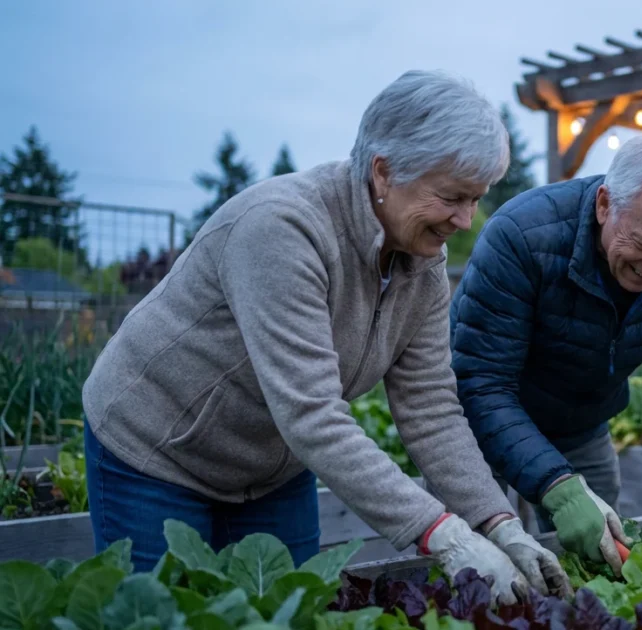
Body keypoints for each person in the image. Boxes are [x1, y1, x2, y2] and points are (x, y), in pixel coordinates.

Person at [80, 70, 570, 605]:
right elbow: (311, 412)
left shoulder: (422, 259)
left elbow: (430, 406)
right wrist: (444, 535)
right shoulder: (283, 229)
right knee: (162, 614)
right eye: (453, 196)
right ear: (384, 172)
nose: (465, 218)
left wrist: (498, 523)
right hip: (157, 452)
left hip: (272, 467)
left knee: (289, 614)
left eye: (476, 198)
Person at [449, 132, 642, 575]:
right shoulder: (520, 236)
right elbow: (482, 383)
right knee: (477, 568)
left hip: (580, 426)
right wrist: (560, 489)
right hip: (476, 429)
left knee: (600, 562)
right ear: (605, 204)